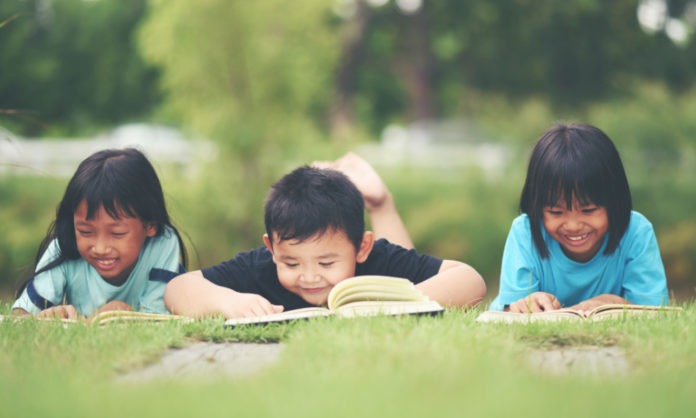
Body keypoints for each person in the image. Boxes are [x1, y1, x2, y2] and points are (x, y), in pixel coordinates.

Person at [165, 154, 486, 319]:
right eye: (290, 262)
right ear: (272, 248)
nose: (309, 276)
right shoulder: (260, 267)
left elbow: (470, 281)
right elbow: (179, 287)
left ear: (361, 247)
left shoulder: (378, 259)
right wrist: (229, 302)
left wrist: (398, 304)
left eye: (327, 261)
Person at [489, 123, 668, 315]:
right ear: (537, 205)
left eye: (588, 210)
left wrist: (611, 302)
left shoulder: (636, 232)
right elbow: (509, 311)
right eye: (556, 212)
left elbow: (655, 312)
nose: (573, 226)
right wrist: (526, 304)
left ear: (614, 201)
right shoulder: (525, 232)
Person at [12, 148, 187, 320]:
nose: (100, 248)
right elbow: (21, 317)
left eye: (117, 233)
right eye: (85, 231)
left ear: (150, 225)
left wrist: (114, 310)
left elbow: (155, 320)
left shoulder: (162, 244)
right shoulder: (65, 246)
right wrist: (49, 316)